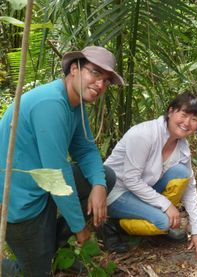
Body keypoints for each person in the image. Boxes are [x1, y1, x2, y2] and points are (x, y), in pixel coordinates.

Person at [0, 46, 124, 276]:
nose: (100, 85)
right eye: (95, 73)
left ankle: (52, 248)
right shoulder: (51, 103)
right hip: (19, 200)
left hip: (43, 187)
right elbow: (58, 172)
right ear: (74, 69)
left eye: (106, 81)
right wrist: (79, 228)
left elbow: (85, 149)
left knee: (106, 176)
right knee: (34, 273)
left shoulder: (74, 103)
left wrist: (98, 185)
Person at [104, 92, 197, 260]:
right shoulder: (144, 134)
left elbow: (190, 188)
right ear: (170, 111)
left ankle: (151, 220)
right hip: (115, 192)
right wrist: (166, 205)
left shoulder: (182, 147)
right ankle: (112, 224)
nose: (187, 123)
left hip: (140, 190)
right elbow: (130, 179)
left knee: (182, 173)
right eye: (183, 115)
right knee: (163, 222)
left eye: (194, 119)